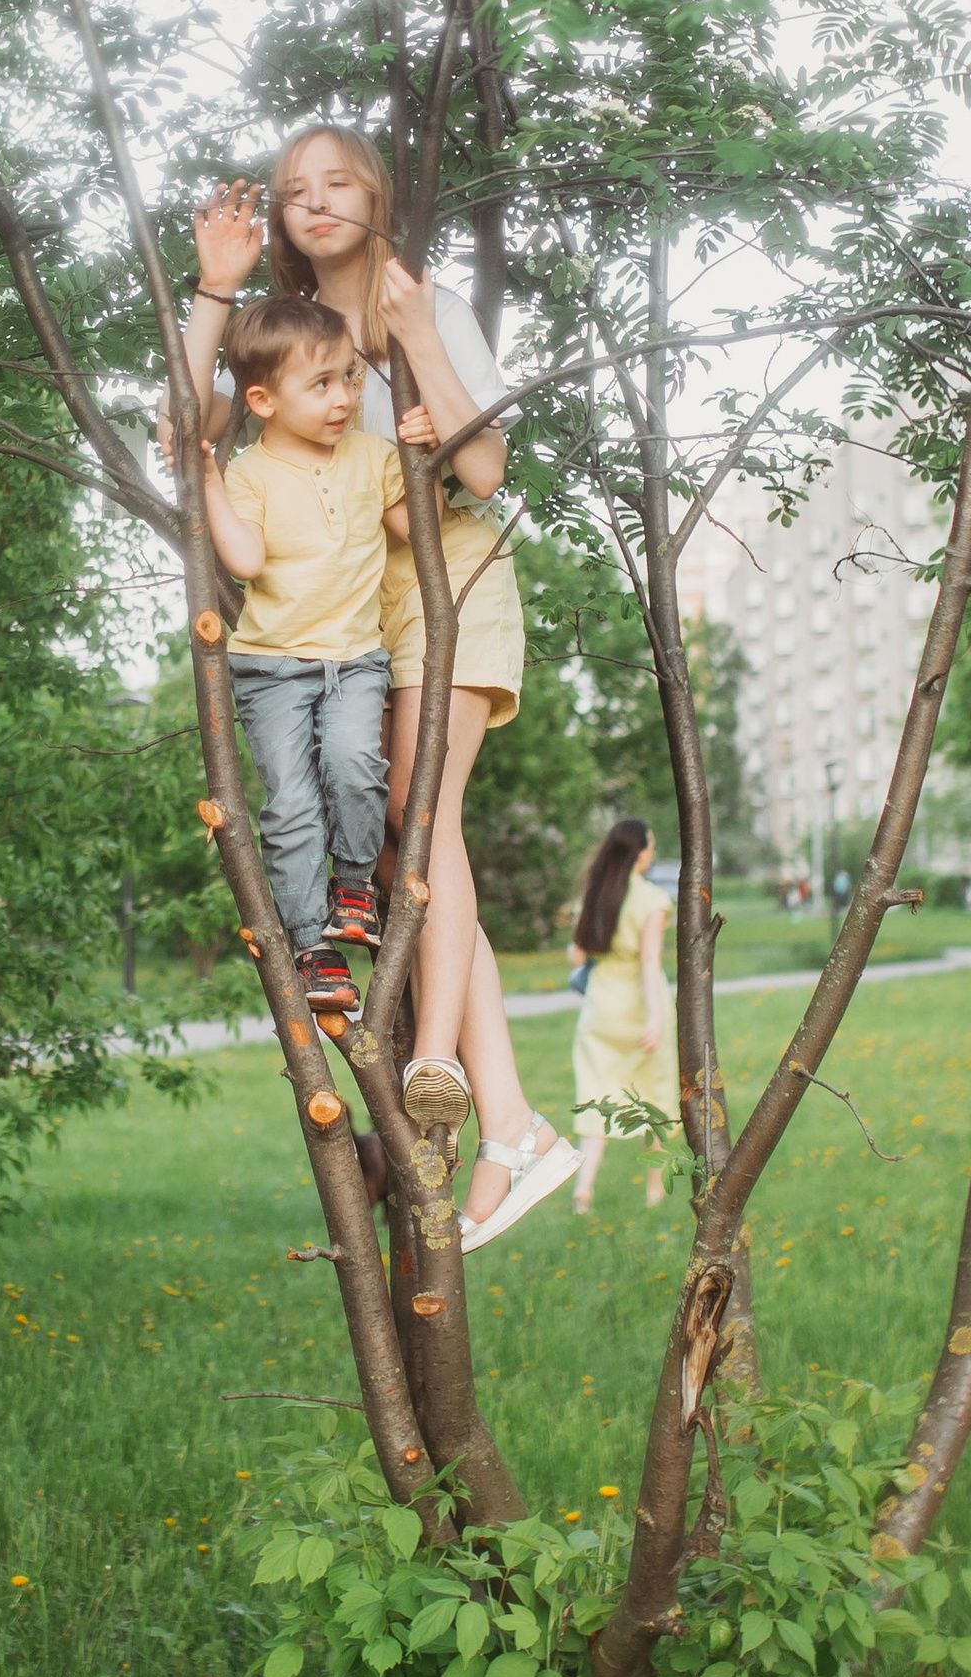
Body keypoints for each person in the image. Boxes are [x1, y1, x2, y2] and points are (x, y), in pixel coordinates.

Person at [182, 127, 577, 1245]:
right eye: (292, 190)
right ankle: (508, 1122)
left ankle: (442, 1064)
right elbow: (186, 428)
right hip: (346, 612)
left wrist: (412, 335)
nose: (313, 203)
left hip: (447, 577)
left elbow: (484, 470)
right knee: (409, 821)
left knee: (419, 820)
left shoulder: (425, 303)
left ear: (378, 196)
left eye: (337, 183)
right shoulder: (280, 333)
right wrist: (213, 292)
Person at [197, 293, 415, 1017]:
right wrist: (204, 482)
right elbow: (245, 558)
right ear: (261, 399)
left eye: (349, 378)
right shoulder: (251, 474)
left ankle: (354, 885)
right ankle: (308, 942)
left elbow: (416, 527)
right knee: (291, 806)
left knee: (355, 764)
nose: (344, 397)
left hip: (355, 658)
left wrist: (424, 450)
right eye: (321, 384)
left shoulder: (371, 455)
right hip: (273, 671)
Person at [567, 817, 682, 1215]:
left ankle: (584, 1190)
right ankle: (654, 1192)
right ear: (640, 852)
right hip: (636, 1008)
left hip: (599, 1009)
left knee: (597, 1095)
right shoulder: (652, 900)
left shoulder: (595, 895)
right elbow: (649, 963)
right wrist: (654, 1018)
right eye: (650, 845)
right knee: (656, 1098)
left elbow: (576, 955)